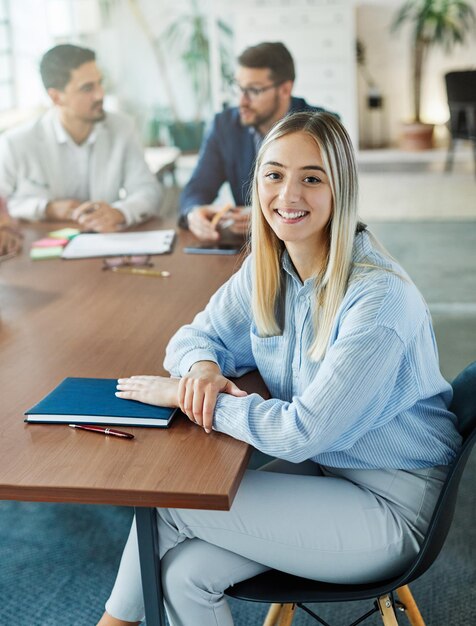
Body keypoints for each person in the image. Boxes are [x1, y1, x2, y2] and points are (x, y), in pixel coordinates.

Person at [97, 112, 461, 626]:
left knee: (168, 504)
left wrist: (189, 398)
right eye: (274, 174)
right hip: (331, 469)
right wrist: (199, 371)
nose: (288, 195)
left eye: (311, 178)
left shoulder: (378, 302)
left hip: (391, 505)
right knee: (183, 575)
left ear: (341, 190)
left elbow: (302, 433)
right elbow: (195, 336)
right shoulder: (271, 268)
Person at [180, 41, 336, 241]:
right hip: (250, 248)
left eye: (254, 91)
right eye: (239, 88)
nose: (242, 101)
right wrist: (194, 213)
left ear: (285, 90)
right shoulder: (224, 125)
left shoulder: (323, 127)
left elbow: (339, 202)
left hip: (308, 243)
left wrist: (265, 215)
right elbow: (196, 189)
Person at [0, 44, 162, 233]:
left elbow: (149, 191)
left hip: (107, 242)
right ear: (56, 97)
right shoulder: (17, 143)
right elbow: (3, 203)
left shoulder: (122, 128)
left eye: (100, 83)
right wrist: (46, 208)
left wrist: (120, 212)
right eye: (87, 88)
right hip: (42, 247)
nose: (100, 94)